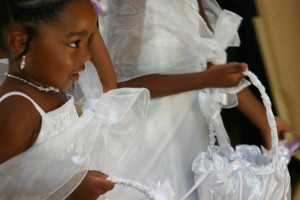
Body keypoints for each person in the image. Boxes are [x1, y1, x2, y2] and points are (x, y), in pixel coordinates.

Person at [99, 0, 292, 199]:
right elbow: (117, 84)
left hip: (191, 136)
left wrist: (265, 122)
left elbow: (211, 67)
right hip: (146, 139)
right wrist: (204, 80)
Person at [0, 0, 149, 199]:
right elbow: (7, 189)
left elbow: (105, 86)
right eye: (74, 43)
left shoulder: (48, 88)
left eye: (88, 41)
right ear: (20, 43)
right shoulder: (17, 108)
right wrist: (70, 191)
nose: (87, 55)